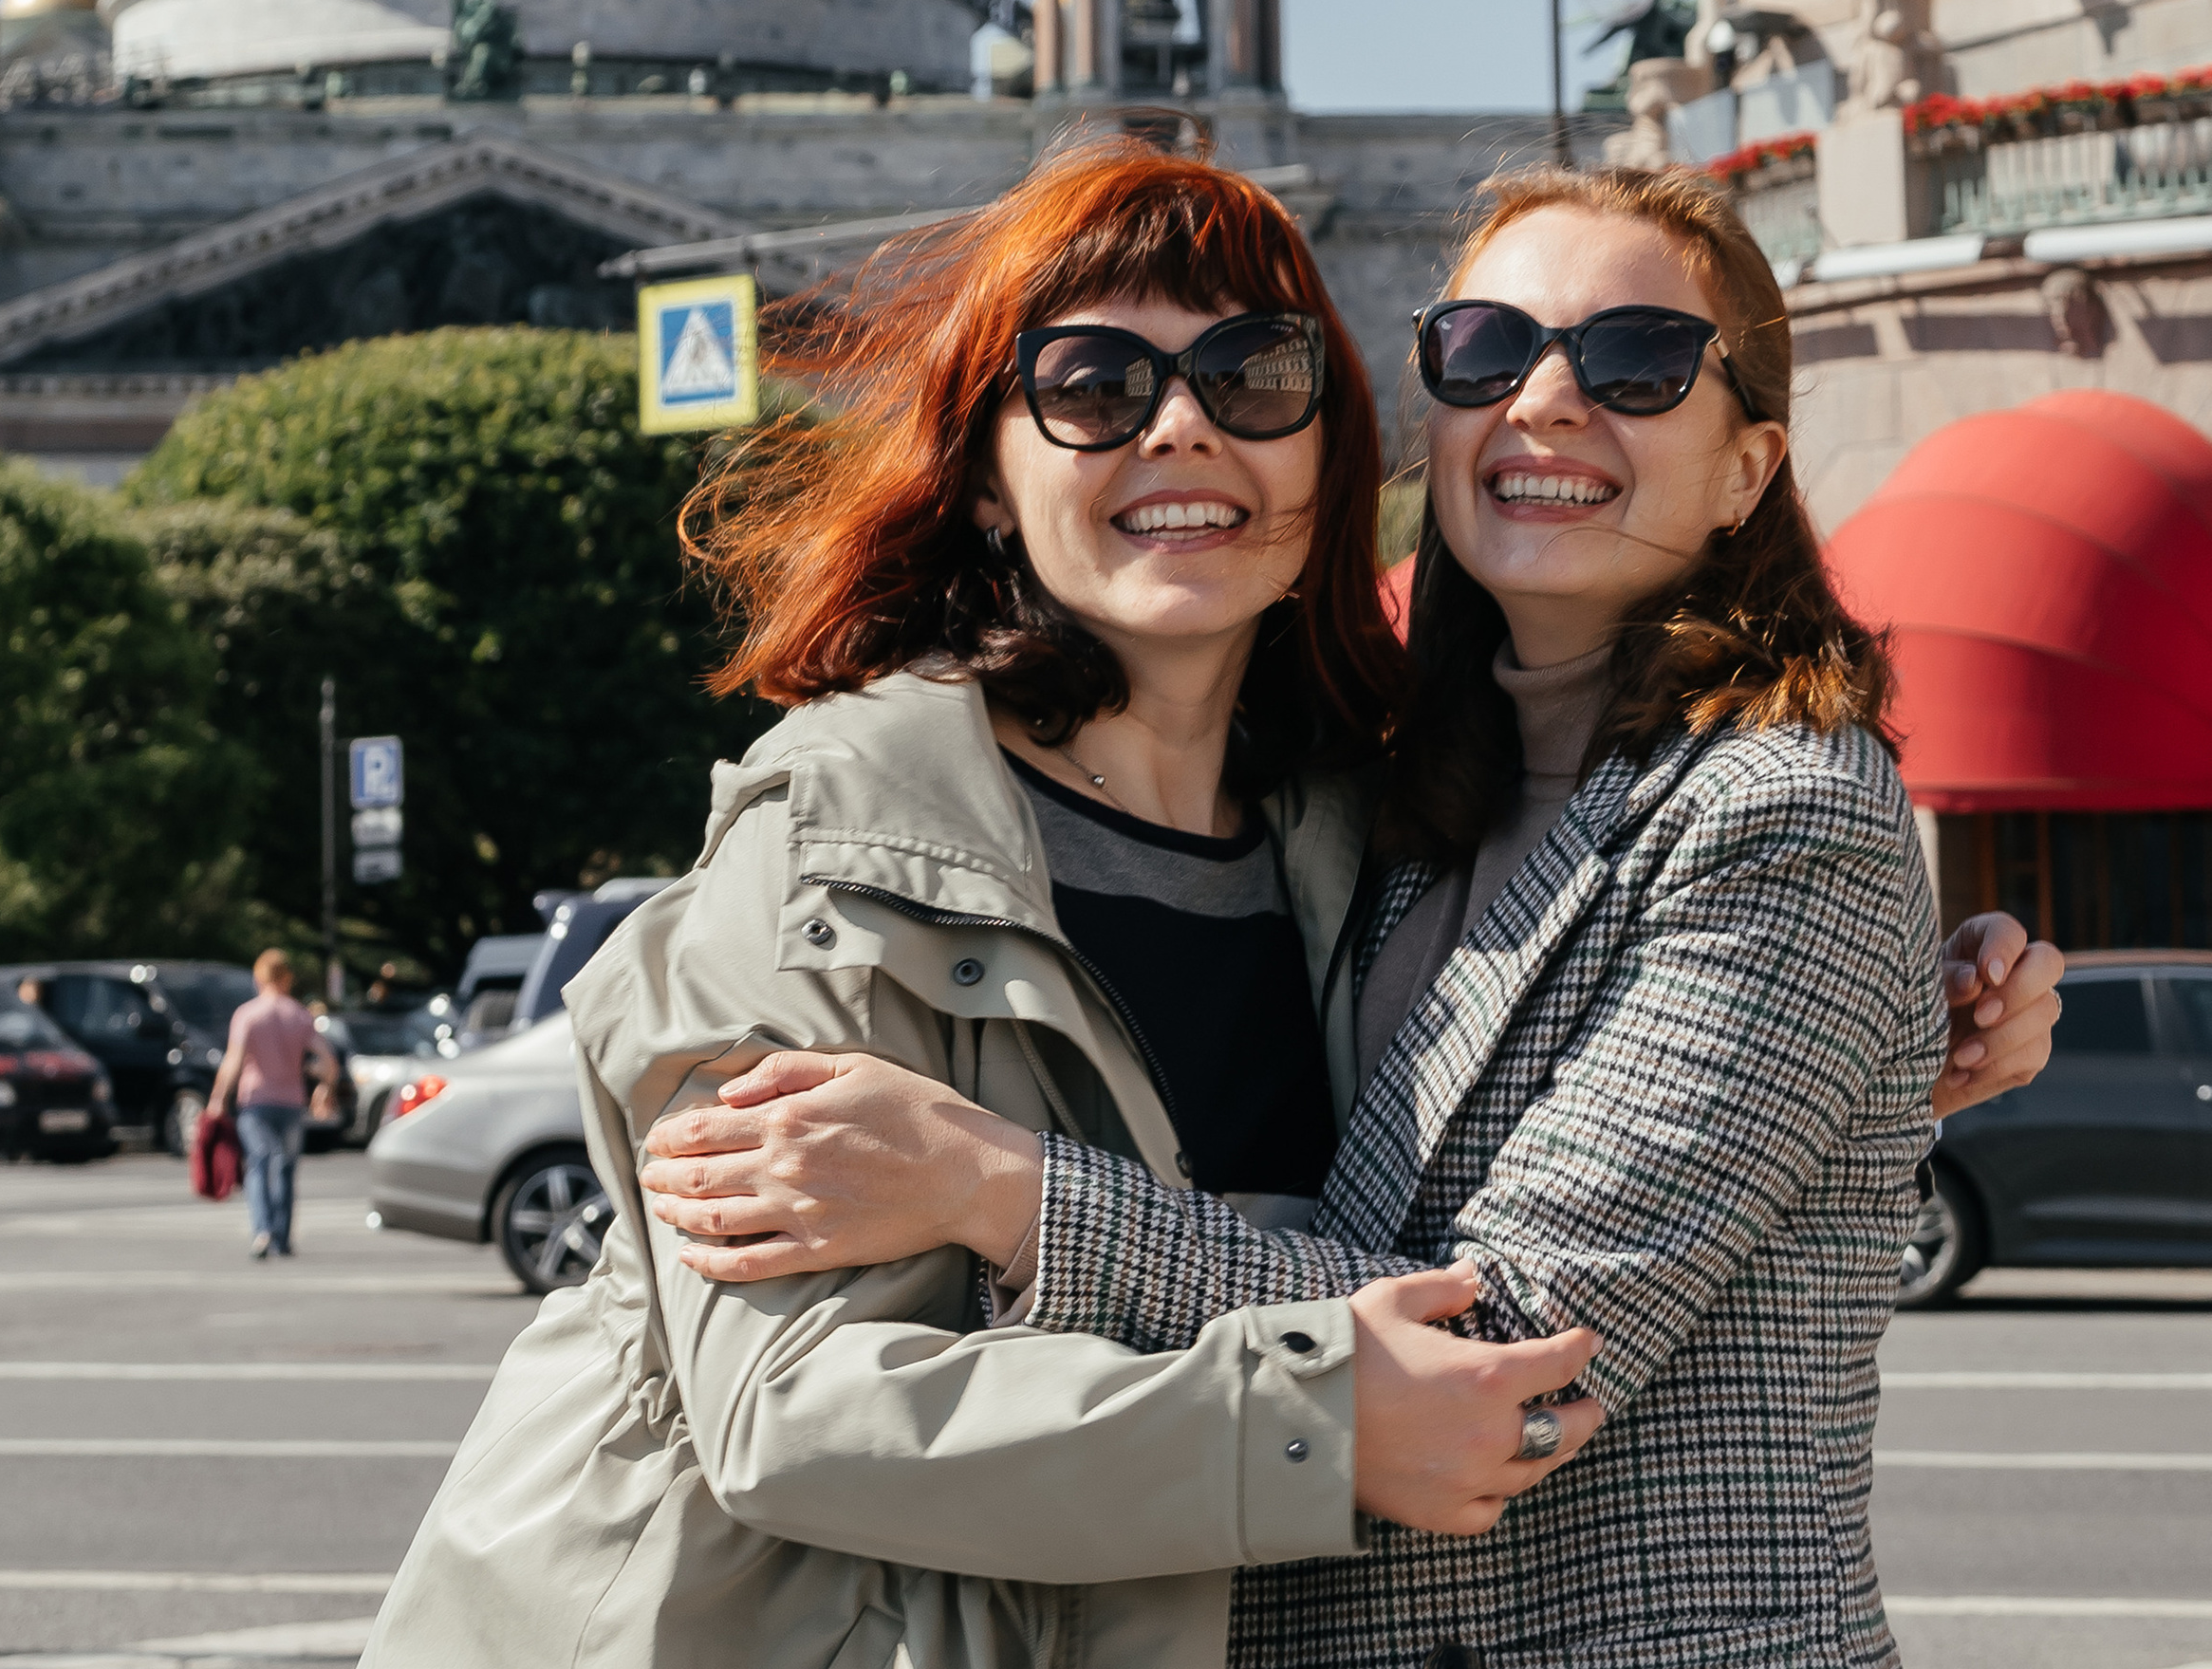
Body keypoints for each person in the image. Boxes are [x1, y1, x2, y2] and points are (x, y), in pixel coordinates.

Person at [365, 150, 2058, 1669]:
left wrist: (995, 1188)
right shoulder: (854, 831)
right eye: (1093, 387)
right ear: (983, 476)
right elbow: (789, 1406)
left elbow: (1490, 1337)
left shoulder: (1380, 815)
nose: (1180, 430)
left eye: (1252, 379)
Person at [207, 950, 338, 1262]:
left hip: (256, 1102)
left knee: (259, 1164)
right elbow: (329, 1061)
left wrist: (217, 1099)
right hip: (292, 1103)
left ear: (259, 977)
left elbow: (234, 1061)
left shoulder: (248, 1014)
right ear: (287, 978)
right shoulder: (299, 1015)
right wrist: (324, 1089)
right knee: (286, 1168)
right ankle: (283, 1236)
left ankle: (262, 1229)